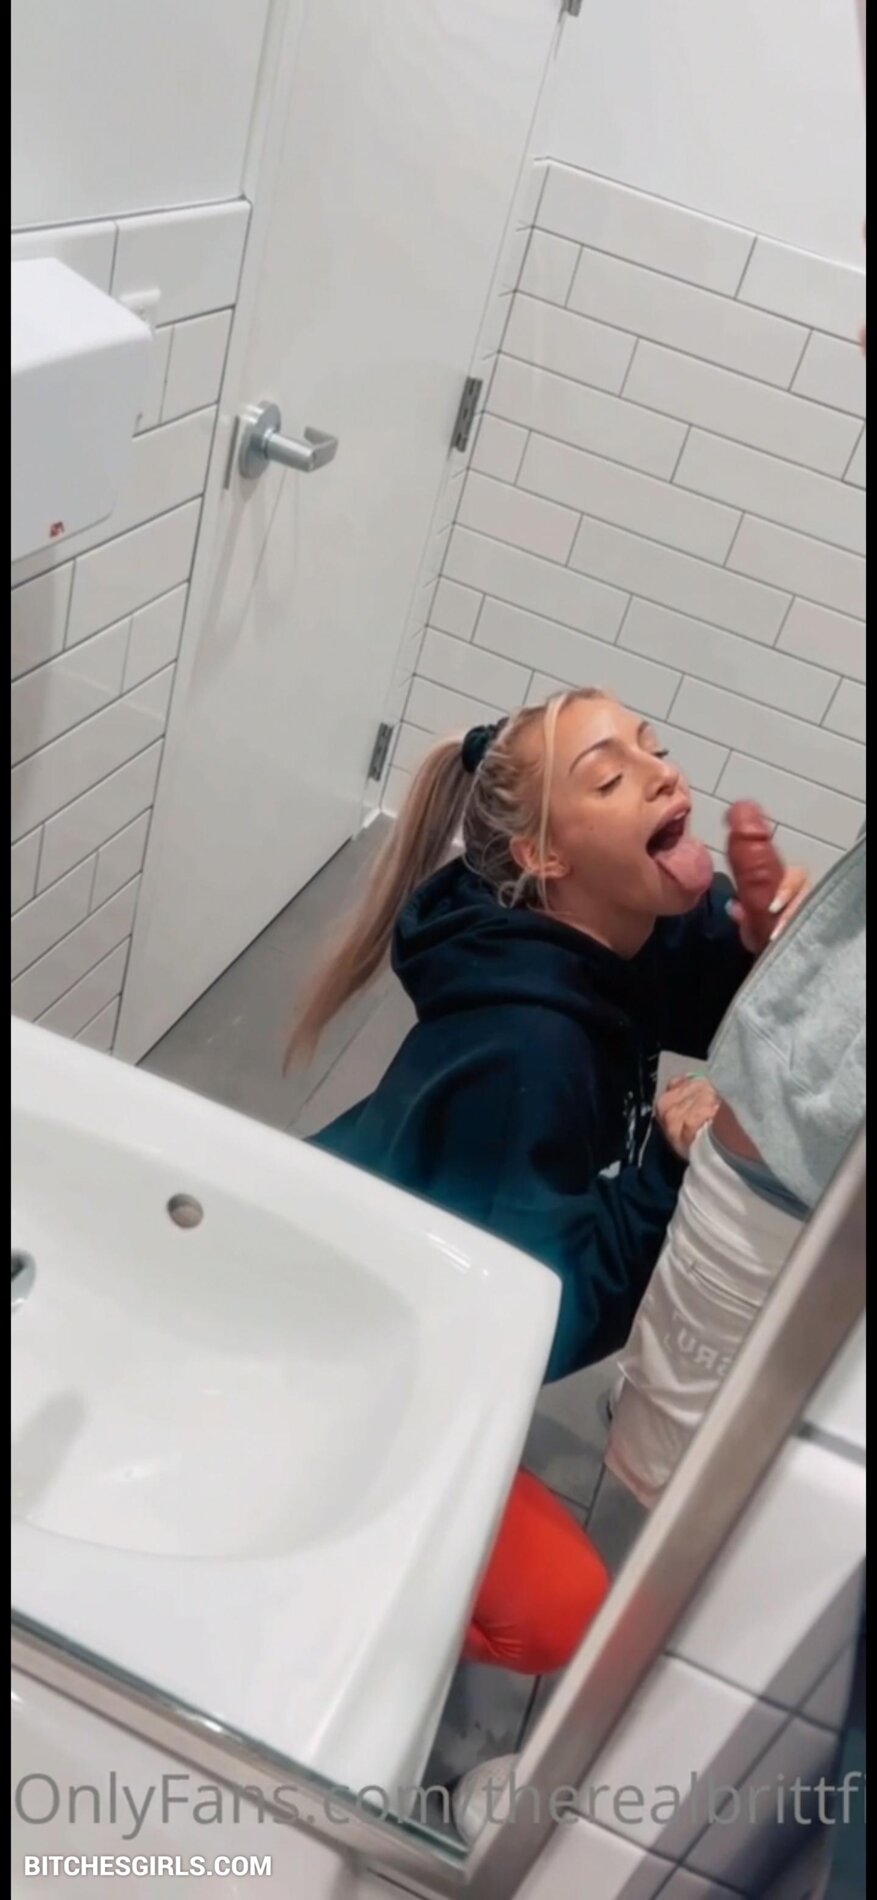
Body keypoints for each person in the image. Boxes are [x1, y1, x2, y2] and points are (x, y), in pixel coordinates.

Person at [289, 687, 803, 1676]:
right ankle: (318, 1565)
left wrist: (760, 942)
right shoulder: (525, 1050)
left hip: (402, 1259)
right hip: (337, 1350)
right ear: (542, 857)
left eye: (653, 748)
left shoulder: (592, 930)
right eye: (609, 778)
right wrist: (659, 1174)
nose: (660, 773)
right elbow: (541, 1325)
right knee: (555, 1615)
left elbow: (690, 971)